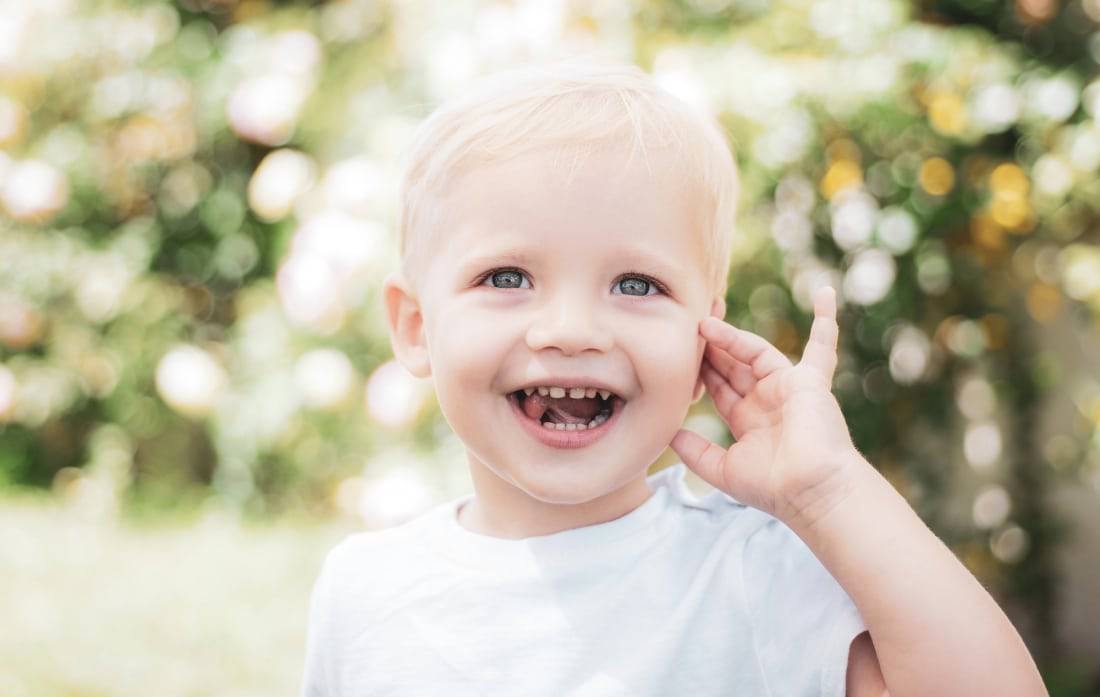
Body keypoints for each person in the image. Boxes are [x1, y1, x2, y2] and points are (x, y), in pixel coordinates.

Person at [300, 60, 1047, 696]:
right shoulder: (363, 591)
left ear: (703, 342)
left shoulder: (749, 573)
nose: (572, 329)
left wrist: (830, 490)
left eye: (635, 285)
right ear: (415, 325)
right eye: (507, 275)